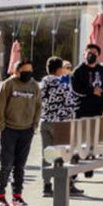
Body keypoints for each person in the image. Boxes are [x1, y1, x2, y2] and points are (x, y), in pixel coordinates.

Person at [0, 60, 42, 206]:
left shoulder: (34, 86)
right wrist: (1, 126)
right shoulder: (8, 84)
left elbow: (38, 106)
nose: (27, 73)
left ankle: (17, 196)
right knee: (6, 164)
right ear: (16, 71)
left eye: (30, 70)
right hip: (9, 129)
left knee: (20, 165)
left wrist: (34, 125)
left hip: (26, 130)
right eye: (24, 70)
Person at [40, 57, 81, 197]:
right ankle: (66, 184)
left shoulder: (43, 83)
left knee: (47, 153)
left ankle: (46, 185)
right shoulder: (63, 83)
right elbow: (70, 104)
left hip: (45, 121)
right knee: (63, 153)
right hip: (61, 123)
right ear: (59, 69)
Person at [72, 44, 103, 119]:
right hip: (82, 109)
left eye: (95, 53)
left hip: (98, 108)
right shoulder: (78, 71)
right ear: (84, 54)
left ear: (98, 56)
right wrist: (92, 91)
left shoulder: (101, 70)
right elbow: (74, 89)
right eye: (89, 52)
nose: (92, 55)